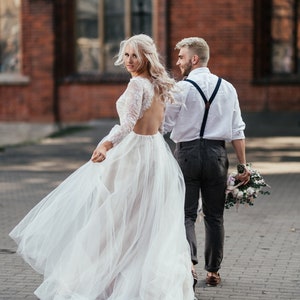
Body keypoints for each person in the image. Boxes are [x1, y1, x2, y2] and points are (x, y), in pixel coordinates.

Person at [9, 34, 194, 300]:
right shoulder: (160, 86)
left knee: (116, 220)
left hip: (134, 154)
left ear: (146, 58)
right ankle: (133, 283)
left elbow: (128, 124)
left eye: (135, 56)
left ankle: (106, 282)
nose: (129, 61)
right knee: (144, 221)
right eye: (127, 55)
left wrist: (106, 144)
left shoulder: (137, 86)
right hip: (156, 154)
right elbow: (164, 126)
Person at [164, 37, 250, 287]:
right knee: (215, 216)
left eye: (181, 57)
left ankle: (189, 265)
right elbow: (237, 129)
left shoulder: (181, 89)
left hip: (187, 154)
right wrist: (243, 165)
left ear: (194, 58)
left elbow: (165, 125)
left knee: (186, 214)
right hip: (216, 156)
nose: (178, 62)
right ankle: (213, 271)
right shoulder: (228, 88)